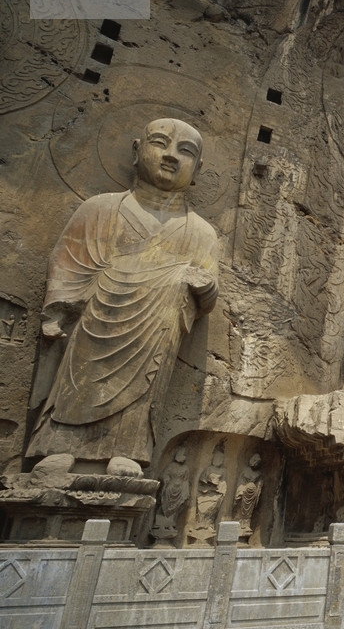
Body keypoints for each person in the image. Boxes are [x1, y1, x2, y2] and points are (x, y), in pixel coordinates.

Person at [26, 119, 218, 472]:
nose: (171, 156)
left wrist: (204, 287)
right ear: (136, 150)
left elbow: (207, 296)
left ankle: (127, 451)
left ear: (198, 169)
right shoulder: (100, 209)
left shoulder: (201, 232)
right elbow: (68, 260)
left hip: (154, 331)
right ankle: (58, 445)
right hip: (96, 320)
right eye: (159, 143)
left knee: (145, 388)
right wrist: (59, 308)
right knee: (77, 379)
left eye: (185, 151)